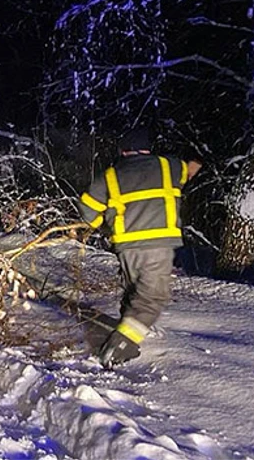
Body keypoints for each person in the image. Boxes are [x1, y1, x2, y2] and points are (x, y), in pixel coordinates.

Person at [78, 128, 201, 368]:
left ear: (122, 150)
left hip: (126, 249)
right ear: (148, 148)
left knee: (135, 291)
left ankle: (126, 326)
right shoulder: (170, 167)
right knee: (153, 297)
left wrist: (103, 226)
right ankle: (119, 346)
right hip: (158, 245)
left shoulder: (111, 176)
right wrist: (199, 159)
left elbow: (87, 210)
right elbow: (190, 170)